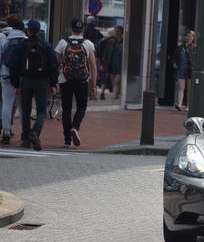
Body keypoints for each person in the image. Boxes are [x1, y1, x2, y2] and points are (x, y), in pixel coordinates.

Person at [9, 20, 57, 151]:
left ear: (28, 30)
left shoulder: (22, 45)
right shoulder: (46, 46)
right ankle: (35, 132)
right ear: (39, 30)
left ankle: (25, 139)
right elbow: (53, 65)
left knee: (26, 110)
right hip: (42, 81)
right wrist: (53, 83)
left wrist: (15, 84)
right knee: (42, 110)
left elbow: (14, 65)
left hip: (26, 80)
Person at [55, 18, 98, 147]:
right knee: (81, 106)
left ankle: (67, 140)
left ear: (71, 29)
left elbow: (55, 63)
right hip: (82, 81)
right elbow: (93, 66)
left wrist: (53, 81)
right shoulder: (88, 44)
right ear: (82, 29)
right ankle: (75, 127)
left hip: (65, 80)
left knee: (66, 109)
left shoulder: (63, 43)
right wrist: (93, 85)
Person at [1, 15, 27, 144]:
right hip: (23, 77)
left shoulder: (4, 38)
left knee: (6, 103)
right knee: (23, 106)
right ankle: (24, 133)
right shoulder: (26, 40)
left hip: (5, 75)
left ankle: (6, 132)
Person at [172, 30, 195, 111]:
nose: (188, 38)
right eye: (187, 36)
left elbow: (195, 59)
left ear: (193, 38)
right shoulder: (180, 47)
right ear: (185, 37)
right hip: (181, 69)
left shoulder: (194, 48)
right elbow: (174, 56)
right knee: (181, 87)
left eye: (190, 36)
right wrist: (174, 63)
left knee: (189, 89)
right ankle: (180, 104)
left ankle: (188, 106)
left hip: (190, 70)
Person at [108, 25, 123, 99]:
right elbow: (106, 53)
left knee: (117, 81)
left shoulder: (124, 42)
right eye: (115, 31)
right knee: (113, 82)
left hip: (120, 64)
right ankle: (116, 95)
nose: (116, 32)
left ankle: (115, 96)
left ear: (121, 32)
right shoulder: (111, 41)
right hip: (112, 64)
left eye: (118, 31)